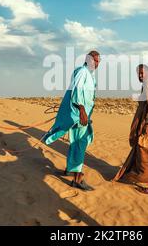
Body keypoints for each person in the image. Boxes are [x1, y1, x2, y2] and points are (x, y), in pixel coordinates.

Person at [42, 50, 100, 191]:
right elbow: (76, 91)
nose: (96, 63)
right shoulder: (82, 72)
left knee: (76, 142)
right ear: (88, 60)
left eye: (98, 61)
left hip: (82, 115)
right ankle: (77, 178)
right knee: (80, 143)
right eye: (94, 60)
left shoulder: (90, 75)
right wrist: (82, 110)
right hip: (79, 114)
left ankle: (70, 169)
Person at [113, 64, 148, 196]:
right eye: (139, 73)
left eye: (142, 73)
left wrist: (145, 124)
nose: (140, 76)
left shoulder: (147, 85)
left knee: (146, 153)